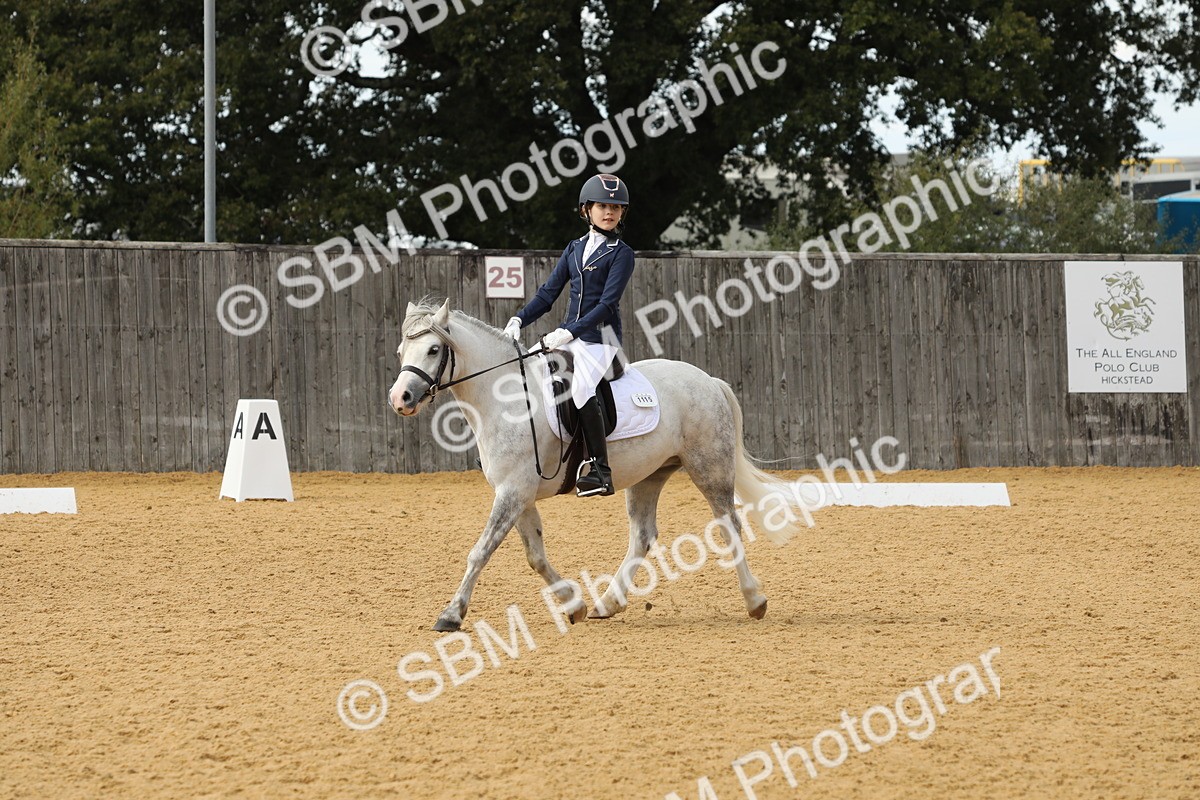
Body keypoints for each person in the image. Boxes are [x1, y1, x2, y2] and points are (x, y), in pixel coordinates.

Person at [503, 173, 635, 497]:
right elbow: (548, 294)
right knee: (528, 371)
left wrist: (567, 332)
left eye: (616, 208)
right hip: (569, 336)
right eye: (603, 206)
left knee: (580, 389)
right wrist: (518, 319)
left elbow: (607, 304)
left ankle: (602, 472)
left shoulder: (622, 253)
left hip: (600, 339)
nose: (610, 212)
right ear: (586, 209)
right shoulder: (574, 249)